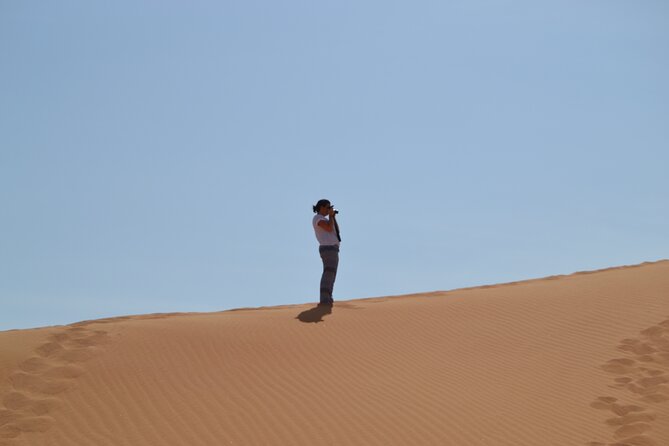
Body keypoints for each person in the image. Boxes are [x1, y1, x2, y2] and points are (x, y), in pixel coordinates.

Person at [312, 199, 341, 306]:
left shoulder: (325, 219)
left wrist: (332, 216)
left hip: (332, 249)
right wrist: (330, 217)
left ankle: (328, 297)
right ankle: (325, 299)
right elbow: (329, 228)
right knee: (328, 274)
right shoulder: (318, 218)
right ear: (322, 207)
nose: (329, 209)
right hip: (328, 248)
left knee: (331, 274)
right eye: (328, 207)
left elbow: (336, 231)